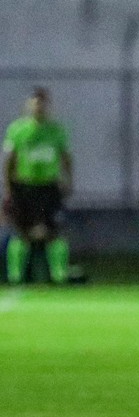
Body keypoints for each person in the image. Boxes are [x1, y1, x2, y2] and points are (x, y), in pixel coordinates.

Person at [3, 87, 72, 285]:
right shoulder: (17, 130)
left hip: (49, 187)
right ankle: (15, 276)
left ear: (47, 106)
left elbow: (65, 157)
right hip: (24, 186)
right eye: (35, 104)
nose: (38, 108)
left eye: (42, 104)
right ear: (28, 106)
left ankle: (59, 274)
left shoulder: (56, 130)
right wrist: (8, 187)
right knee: (21, 232)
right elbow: (10, 160)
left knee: (54, 232)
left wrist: (68, 179)